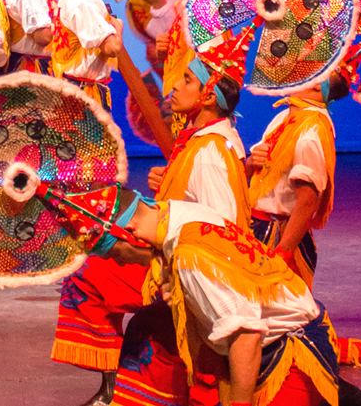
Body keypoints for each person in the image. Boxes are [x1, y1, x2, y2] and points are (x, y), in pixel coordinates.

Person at [51, 34, 249, 406]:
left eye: (187, 80)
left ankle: (115, 389)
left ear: (207, 96)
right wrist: (169, 181)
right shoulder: (208, 140)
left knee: (88, 279)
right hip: (181, 259)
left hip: (189, 272)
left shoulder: (209, 152)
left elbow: (219, 230)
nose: (175, 84)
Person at [247, 69, 361, 366]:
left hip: (279, 234)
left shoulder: (311, 130)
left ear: (315, 89)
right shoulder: (287, 117)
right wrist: (249, 164)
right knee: (263, 317)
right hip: (258, 227)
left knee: (282, 322)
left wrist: (283, 251)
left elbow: (308, 199)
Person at [113, 196, 341, 406]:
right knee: (152, 320)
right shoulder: (178, 213)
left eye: (114, 255)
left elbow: (246, 335)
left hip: (283, 351)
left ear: (131, 231)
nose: (122, 264)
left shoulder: (190, 256)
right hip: (288, 320)